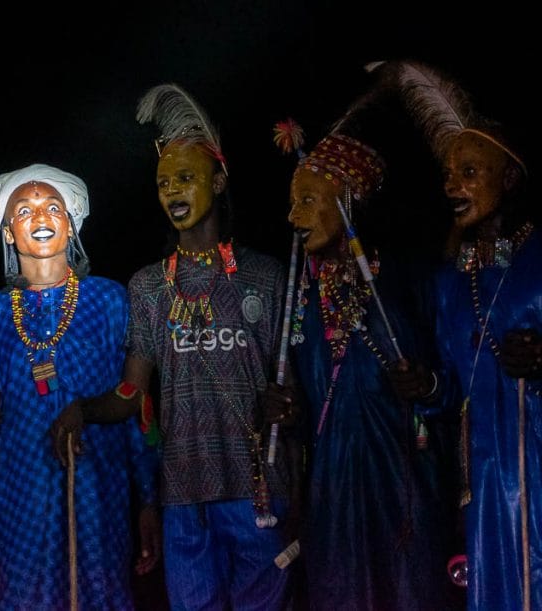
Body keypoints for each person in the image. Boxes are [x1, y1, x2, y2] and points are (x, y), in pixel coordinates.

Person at [51, 84, 295, 610]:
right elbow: (130, 393)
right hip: (183, 496)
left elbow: (295, 388)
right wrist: (83, 409)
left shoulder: (266, 276)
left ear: (219, 181)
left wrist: (287, 407)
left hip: (258, 491)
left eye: (186, 178)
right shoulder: (149, 286)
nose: (173, 192)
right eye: (164, 183)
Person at [0, 164, 159, 609]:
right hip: (21, 497)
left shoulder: (110, 300)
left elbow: (136, 403)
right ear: (9, 233)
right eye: (25, 210)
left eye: (53, 207)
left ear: (70, 225)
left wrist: (148, 498)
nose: (41, 216)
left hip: (99, 491)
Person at [285, 125, 455, 609]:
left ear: (349, 200)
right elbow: (307, 405)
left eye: (307, 200)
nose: (292, 216)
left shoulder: (410, 282)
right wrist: (289, 409)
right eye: (293, 202)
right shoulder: (300, 298)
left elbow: (455, 383)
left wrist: (429, 386)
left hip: (405, 484)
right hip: (333, 492)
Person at [395, 61, 542, 609]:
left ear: (509, 178)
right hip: (482, 486)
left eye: (470, 172)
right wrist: (427, 387)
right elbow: (453, 386)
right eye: (450, 174)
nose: (452, 185)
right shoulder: (452, 282)